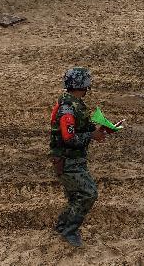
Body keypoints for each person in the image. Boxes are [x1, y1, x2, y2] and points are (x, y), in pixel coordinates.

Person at [49, 67, 119, 247]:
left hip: (74, 159)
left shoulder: (75, 105)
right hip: (67, 160)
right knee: (89, 194)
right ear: (82, 86)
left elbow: (85, 128)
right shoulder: (68, 110)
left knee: (76, 196)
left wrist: (104, 129)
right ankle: (69, 231)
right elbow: (69, 138)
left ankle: (62, 226)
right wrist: (92, 136)